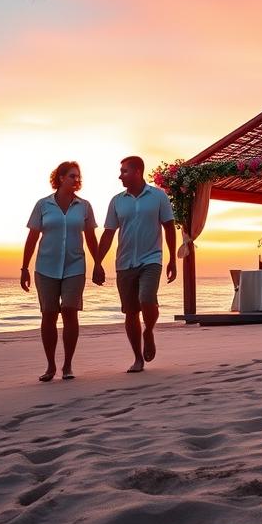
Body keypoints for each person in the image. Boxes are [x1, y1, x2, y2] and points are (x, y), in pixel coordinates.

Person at [93, 156, 176, 373]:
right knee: (130, 312)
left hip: (151, 259)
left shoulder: (158, 196)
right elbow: (109, 233)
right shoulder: (117, 201)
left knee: (147, 299)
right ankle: (138, 358)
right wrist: (98, 262)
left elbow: (168, 227)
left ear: (138, 171)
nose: (120, 175)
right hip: (124, 263)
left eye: (124, 171)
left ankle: (148, 331)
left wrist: (172, 260)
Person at [21, 161, 98, 382]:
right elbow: (32, 238)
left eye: (78, 176)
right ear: (61, 178)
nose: (76, 180)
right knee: (49, 314)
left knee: (70, 311)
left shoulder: (84, 206)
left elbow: (91, 238)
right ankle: (50, 366)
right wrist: (24, 267)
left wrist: (98, 263)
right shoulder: (43, 205)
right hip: (46, 268)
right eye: (72, 176)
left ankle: (67, 365)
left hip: (75, 266)